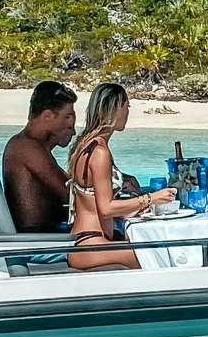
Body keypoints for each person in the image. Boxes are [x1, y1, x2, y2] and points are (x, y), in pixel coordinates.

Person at [65, 82, 175, 272]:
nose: (128, 112)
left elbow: (93, 203)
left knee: (159, 254)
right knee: (163, 256)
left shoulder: (85, 144)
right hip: (91, 244)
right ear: (117, 107)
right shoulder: (99, 152)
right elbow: (106, 208)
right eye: (127, 106)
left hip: (87, 241)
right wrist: (151, 199)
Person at [0, 80, 77, 233]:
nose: (73, 132)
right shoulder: (27, 148)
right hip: (38, 242)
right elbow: (72, 196)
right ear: (47, 116)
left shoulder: (32, 146)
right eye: (67, 118)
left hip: (47, 234)